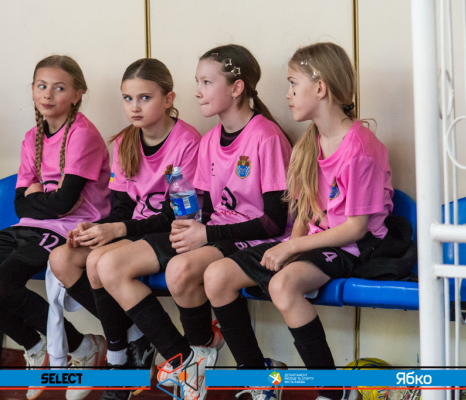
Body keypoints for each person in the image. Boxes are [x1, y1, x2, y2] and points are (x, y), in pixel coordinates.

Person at [90, 44, 291, 400]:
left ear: (237, 88)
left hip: (256, 239)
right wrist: (190, 229)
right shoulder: (211, 140)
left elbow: (274, 223)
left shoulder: (266, 136)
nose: (197, 91)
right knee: (111, 265)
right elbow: (206, 208)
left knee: (182, 270)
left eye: (206, 82)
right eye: (197, 82)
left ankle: (225, 367)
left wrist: (205, 233)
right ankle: (191, 359)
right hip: (214, 232)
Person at [204, 42, 393, 400]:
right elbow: (304, 211)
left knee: (283, 286)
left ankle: (334, 392)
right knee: (216, 277)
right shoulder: (311, 142)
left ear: (320, 88)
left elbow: (355, 228)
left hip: (353, 246)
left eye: (293, 84)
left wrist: (292, 248)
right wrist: (291, 245)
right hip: (312, 241)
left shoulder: (360, 148)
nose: (287, 94)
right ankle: (258, 380)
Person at [0, 55, 111, 400]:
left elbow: (64, 205)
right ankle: (35, 346)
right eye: (41, 86)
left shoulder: (82, 135)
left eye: (59, 88)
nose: (48, 94)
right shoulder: (32, 137)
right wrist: (44, 198)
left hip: (70, 230)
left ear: (77, 94)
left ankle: (83, 348)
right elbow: (21, 205)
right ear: (33, 90)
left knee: (3, 283)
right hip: (29, 225)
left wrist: (39, 195)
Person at [47, 58, 201, 400]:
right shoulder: (125, 141)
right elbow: (121, 208)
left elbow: (175, 215)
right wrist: (96, 228)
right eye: (128, 98)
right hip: (135, 229)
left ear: (168, 99)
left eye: (145, 98)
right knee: (62, 258)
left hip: (174, 232)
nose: (135, 107)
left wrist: (117, 230)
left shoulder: (187, 142)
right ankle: (132, 341)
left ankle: (177, 359)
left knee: (102, 263)